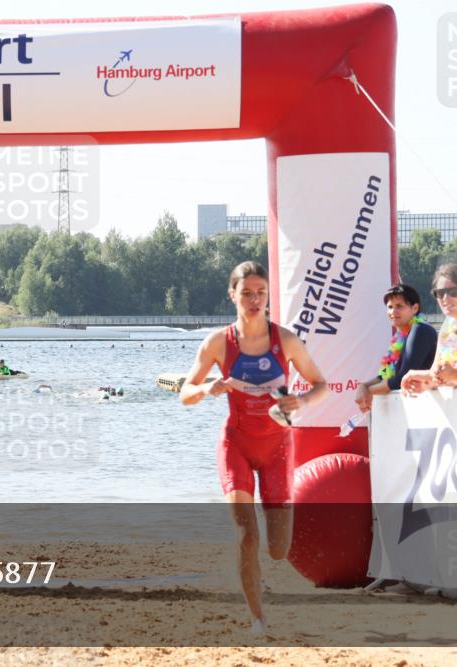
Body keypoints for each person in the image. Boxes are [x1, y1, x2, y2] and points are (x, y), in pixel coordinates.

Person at [180, 261, 328, 636]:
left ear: (268, 296)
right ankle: (258, 619)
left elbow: (320, 384)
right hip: (237, 445)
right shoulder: (218, 343)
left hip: (278, 448)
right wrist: (207, 388)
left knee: (277, 549)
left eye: (260, 292)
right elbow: (185, 394)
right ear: (232, 295)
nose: (254, 299)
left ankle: (262, 556)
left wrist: (301, 401)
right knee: (247, 535)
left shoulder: (286, 340)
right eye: (246, 293)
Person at [353, 284, 437, 412]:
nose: (393, 311)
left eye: (399, 306)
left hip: (423, 409)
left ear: (414, 308)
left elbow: (402, 379)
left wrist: (369, 392)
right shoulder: (400, 336)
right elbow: (385, 377)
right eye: (390, 307)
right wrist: (363, 387)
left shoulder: (420, 330)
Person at [401, 265, 457, 395]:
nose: (445, 299)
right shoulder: (446, 326)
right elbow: (436, 373)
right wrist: (423, 382)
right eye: (440, 293)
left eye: (453, 292)